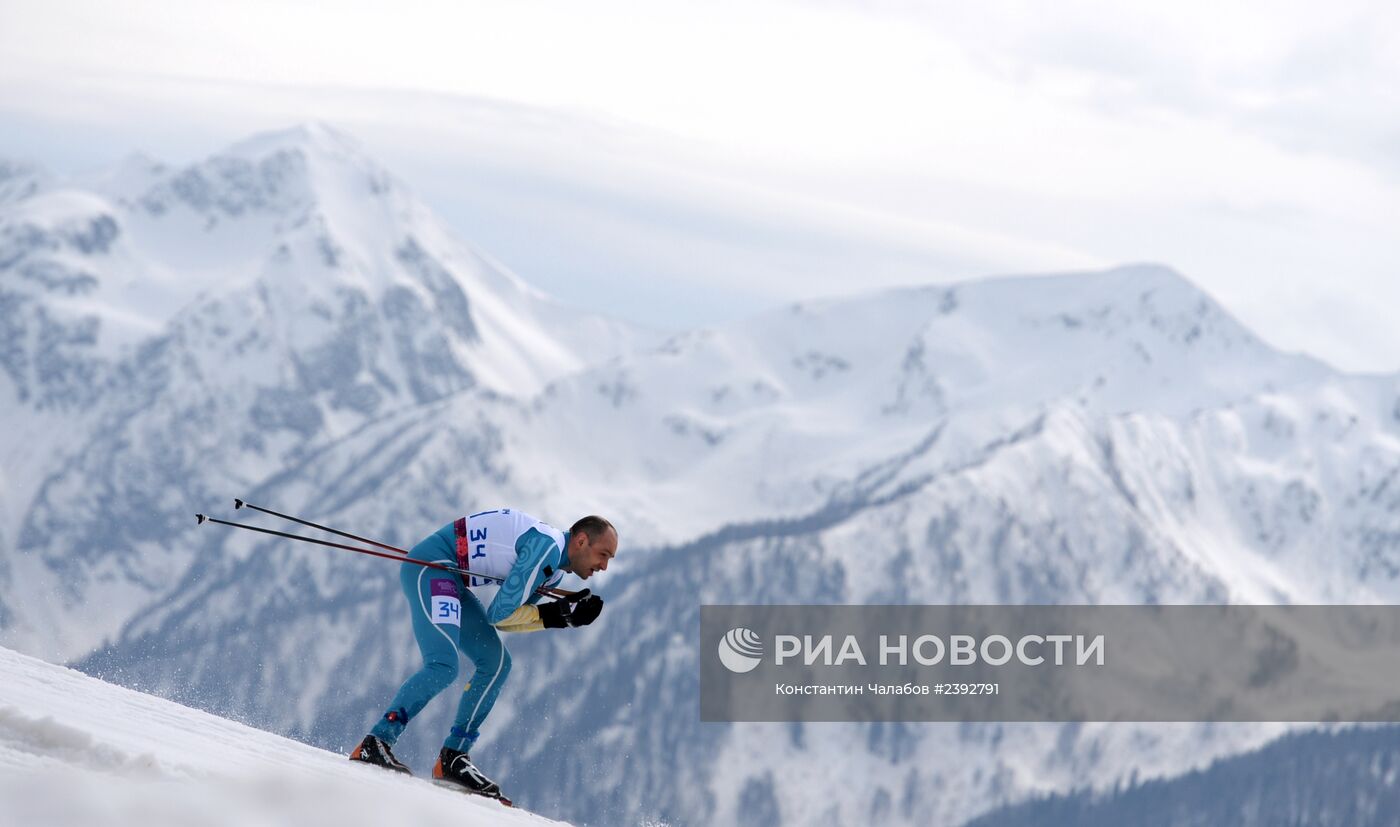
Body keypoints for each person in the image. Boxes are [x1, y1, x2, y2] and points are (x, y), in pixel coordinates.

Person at [349, 509, 616, 799]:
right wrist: (557, 614)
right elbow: (500, 615)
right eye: (603, 554)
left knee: (497, 664)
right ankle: (375, 742)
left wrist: (563, 617)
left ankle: (453, 757)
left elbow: (509, 619)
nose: (603, 566)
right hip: (432, 569)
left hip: (451, 580)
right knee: (443, 666)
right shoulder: (546, 549)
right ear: (580, 541)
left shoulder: (552, 572)